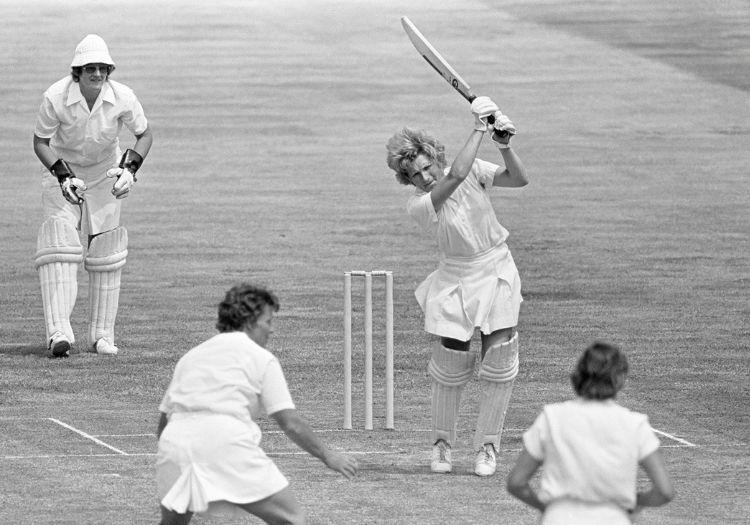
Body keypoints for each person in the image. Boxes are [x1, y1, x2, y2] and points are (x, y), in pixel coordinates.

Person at [385, 97, 528, 477]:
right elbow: (454, 177)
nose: (425, 177)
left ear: (435, 157)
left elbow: (519, 179)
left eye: (427, 167)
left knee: (499, 363)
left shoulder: (474, 169)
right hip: (455, 276)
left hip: (496, 266)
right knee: (451, 361)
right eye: (415, 175)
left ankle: (486, 448)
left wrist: (504, 143)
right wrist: (479, 127)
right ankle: (442, 444)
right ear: (408, 180)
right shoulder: (421, 204)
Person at [156, 283, 358, 524]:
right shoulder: (262, 358)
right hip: (227, 442)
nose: (271, 330)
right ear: (250, 322)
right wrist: (328, 456)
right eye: (268, 321)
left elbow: (162, 425)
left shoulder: (190, 357)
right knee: (292, 519)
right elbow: (290, 423)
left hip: (174, 445)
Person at [32, 34, 153, 357]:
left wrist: (130, 169)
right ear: (77, 72)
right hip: (64, 171)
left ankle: (102, 335)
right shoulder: (55, 97)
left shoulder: (123, 96)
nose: (97, 74)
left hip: (104, 173)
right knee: (60, 243)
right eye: (90, 69)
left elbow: (143, 134)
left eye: (102, 68)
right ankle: (58, 333)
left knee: (106, 250)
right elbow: (41, 142)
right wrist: (63, 176)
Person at [507, 342, 675, 524]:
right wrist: (637, 501)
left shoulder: (552, 417)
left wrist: (547, 508)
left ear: (579, 375)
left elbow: (516, 483)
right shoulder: (635, 424)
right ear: (619, 379)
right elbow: (665, 491)